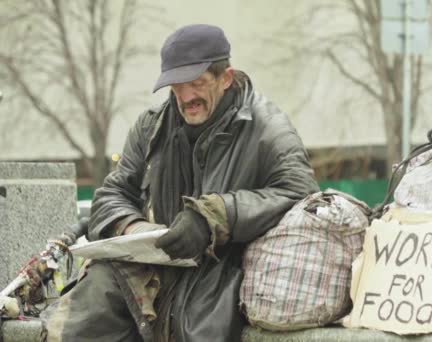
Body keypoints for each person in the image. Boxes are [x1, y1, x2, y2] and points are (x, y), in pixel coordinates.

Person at [46, 24, 319, 342]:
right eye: (176, 87)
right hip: (154, 267)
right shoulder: (152, 124)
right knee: (91, 304)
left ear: (226, 78)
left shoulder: (270, 129)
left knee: (200, 326)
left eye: (196, 84)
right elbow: (112, 194)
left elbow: (302, 196)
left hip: (223, 274)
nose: (186, 97)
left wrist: (214, 217)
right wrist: (134, 230)